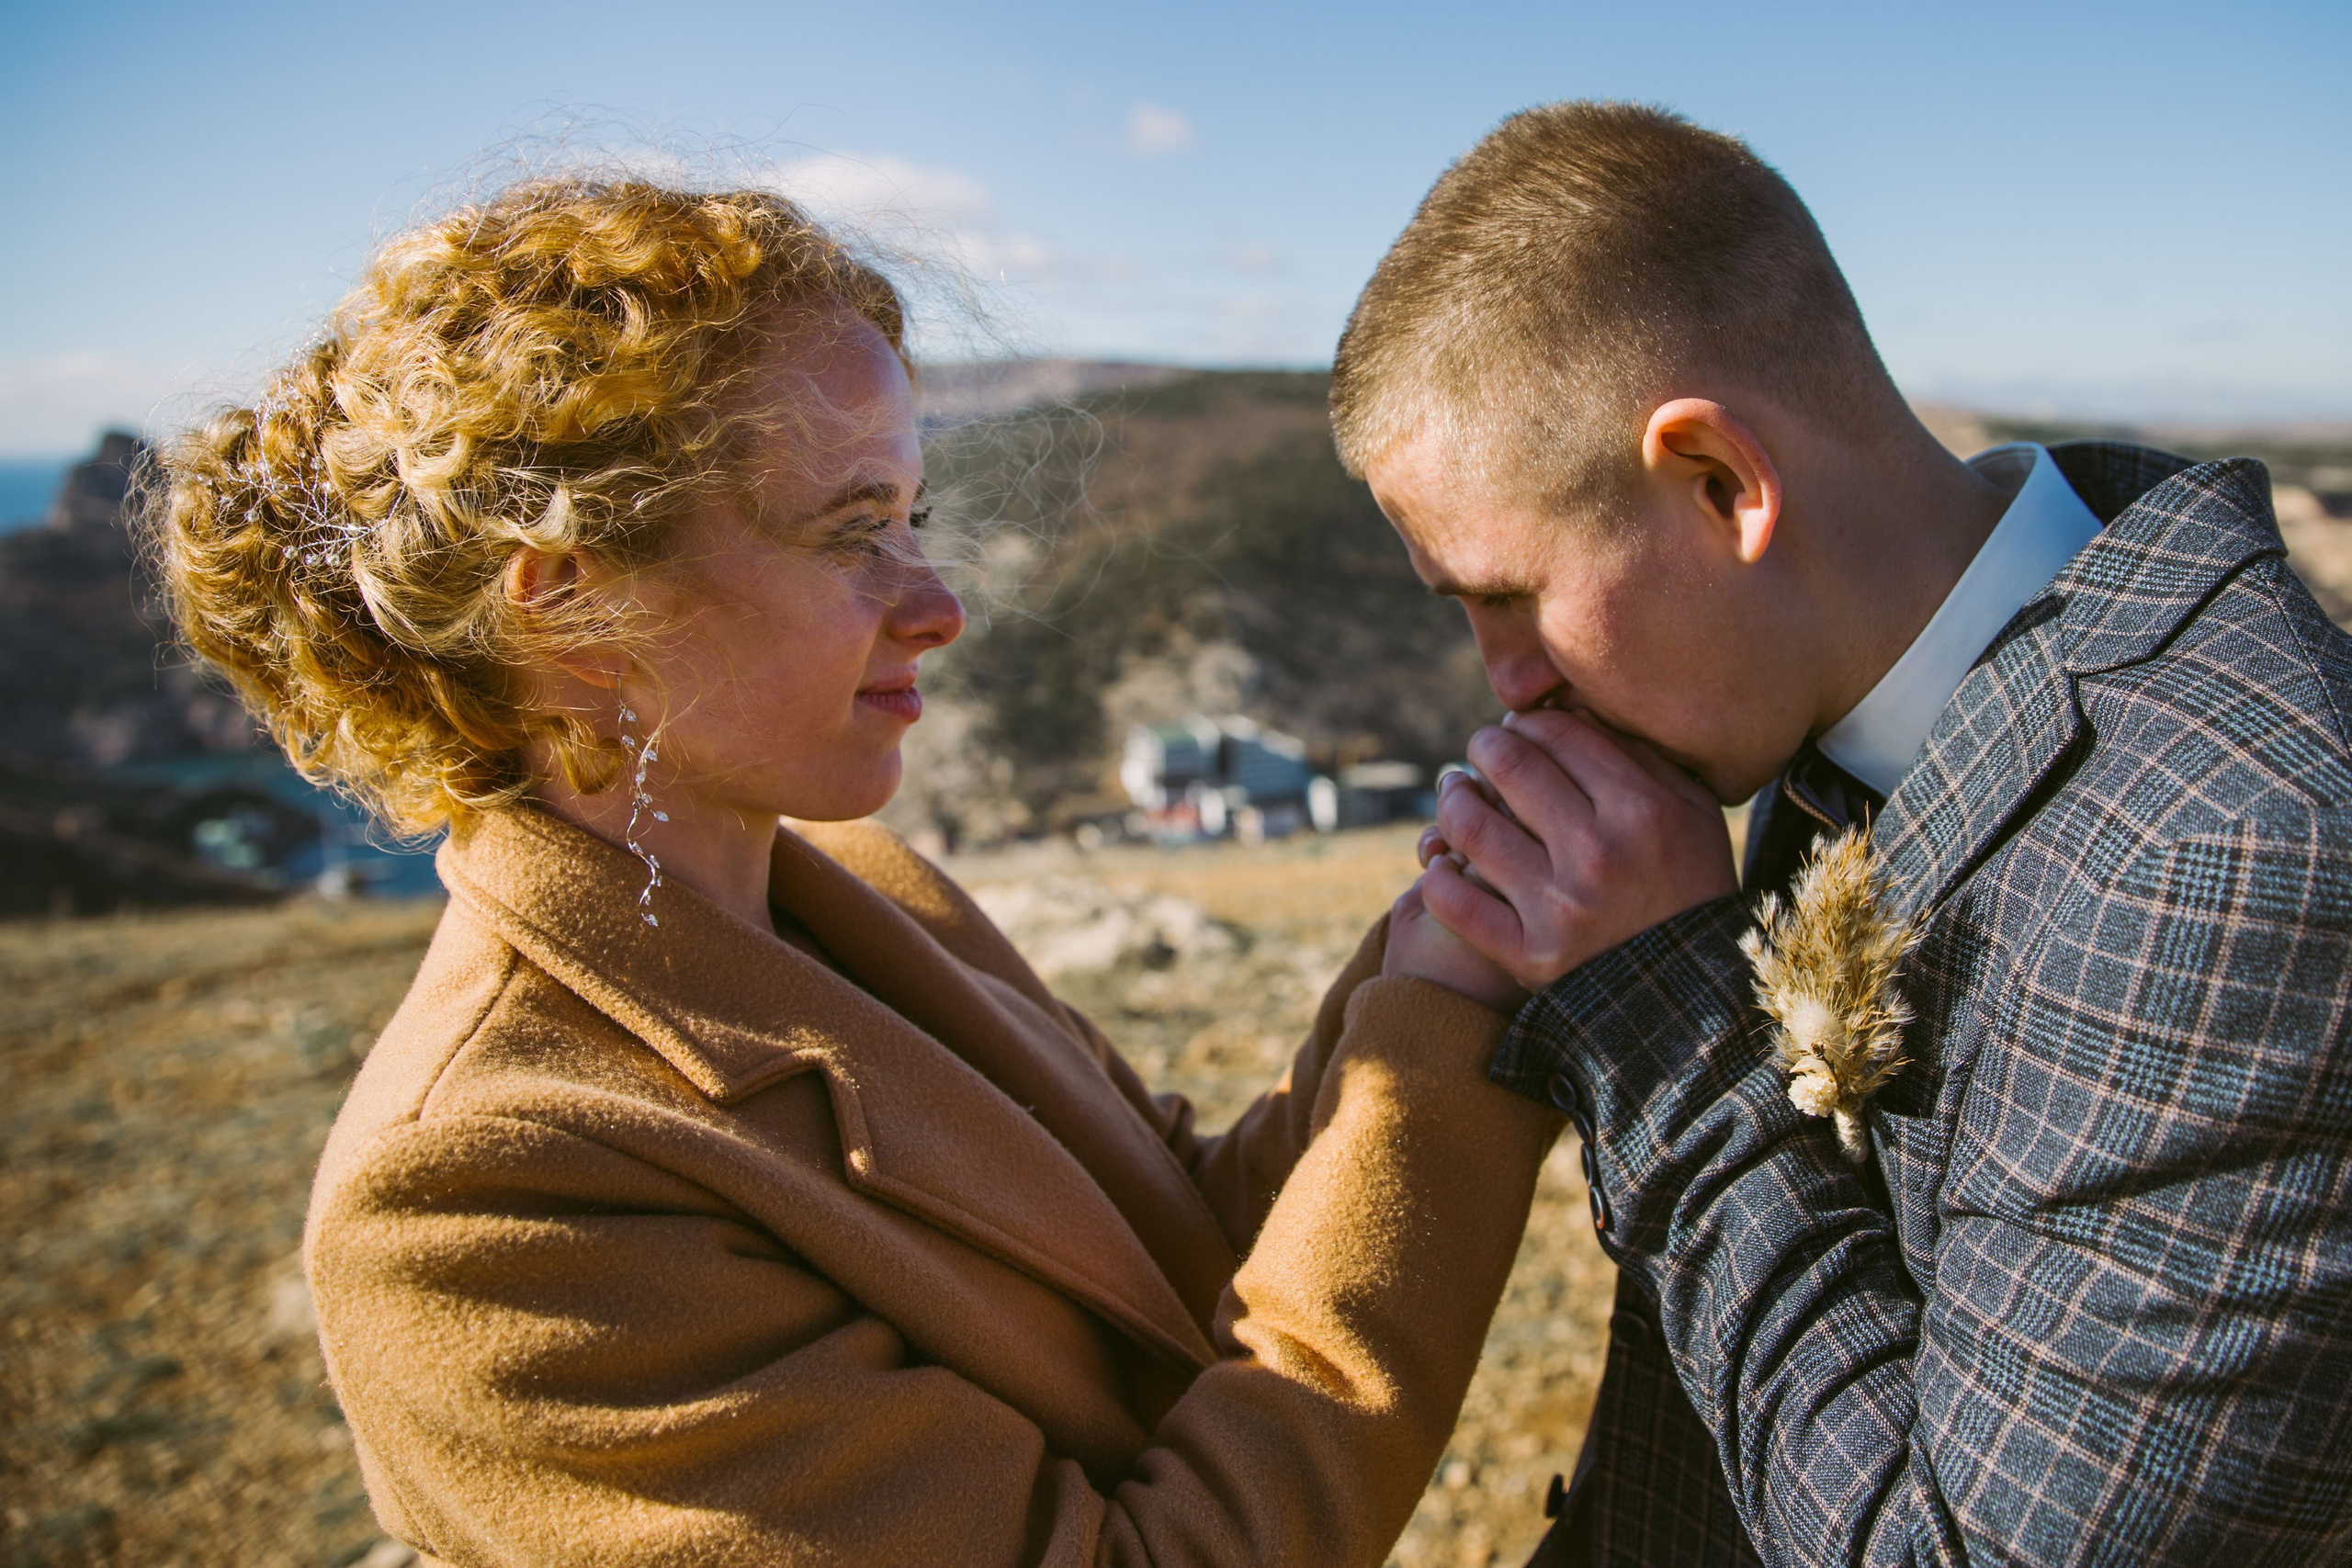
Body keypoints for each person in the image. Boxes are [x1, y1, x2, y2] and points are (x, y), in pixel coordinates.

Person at [153, 176, 1558, 1566]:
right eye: (849, 533)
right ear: (573, 606)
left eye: (914, 523)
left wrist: (1461, 924)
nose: (938, 607)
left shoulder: (874, 891)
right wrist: (1460, 1021)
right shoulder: (481, 1197)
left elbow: (1183, 1244)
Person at [1331, 102, 2352, 1566]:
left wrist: (1664, 1018)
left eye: (1507, 596)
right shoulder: (1829, 703)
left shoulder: (2228, 859)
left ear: (1723, 483)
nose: (1509, 683)